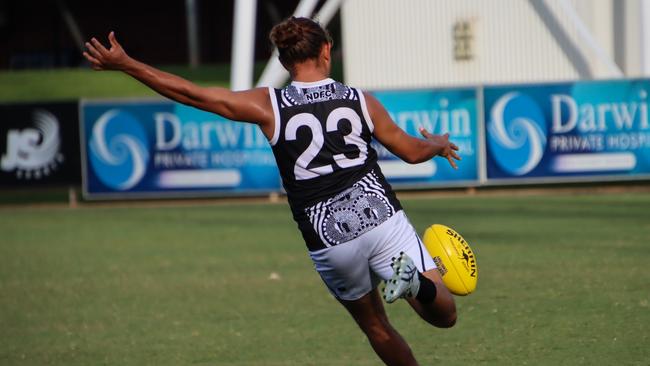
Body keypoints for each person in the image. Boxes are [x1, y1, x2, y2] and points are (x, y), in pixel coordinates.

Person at [83, 16, 461, 366]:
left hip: (328, 235)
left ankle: (411, 285)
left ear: (284, 62)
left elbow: (193, 94)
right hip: (377, 214)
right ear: (326, 50)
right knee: (444, 315)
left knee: (377, 327)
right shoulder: (360, 101)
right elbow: (411, 152)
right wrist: (438, 145)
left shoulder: (271, 105)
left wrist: (128, 64)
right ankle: (416, 285)